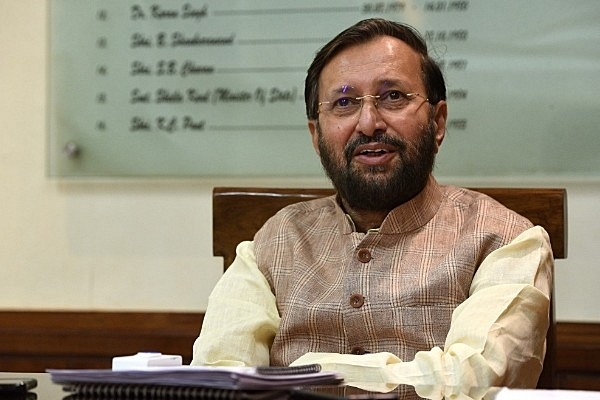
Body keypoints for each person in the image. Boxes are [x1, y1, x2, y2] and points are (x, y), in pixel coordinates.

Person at [191, 18, 553, 398]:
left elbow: (473, 381)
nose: (368, 123)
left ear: (438, 122)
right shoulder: (273, 242)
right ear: (317, 135)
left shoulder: (506, 241)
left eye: (393, 96)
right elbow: (218, 377)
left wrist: (301, 376)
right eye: (344, 102)